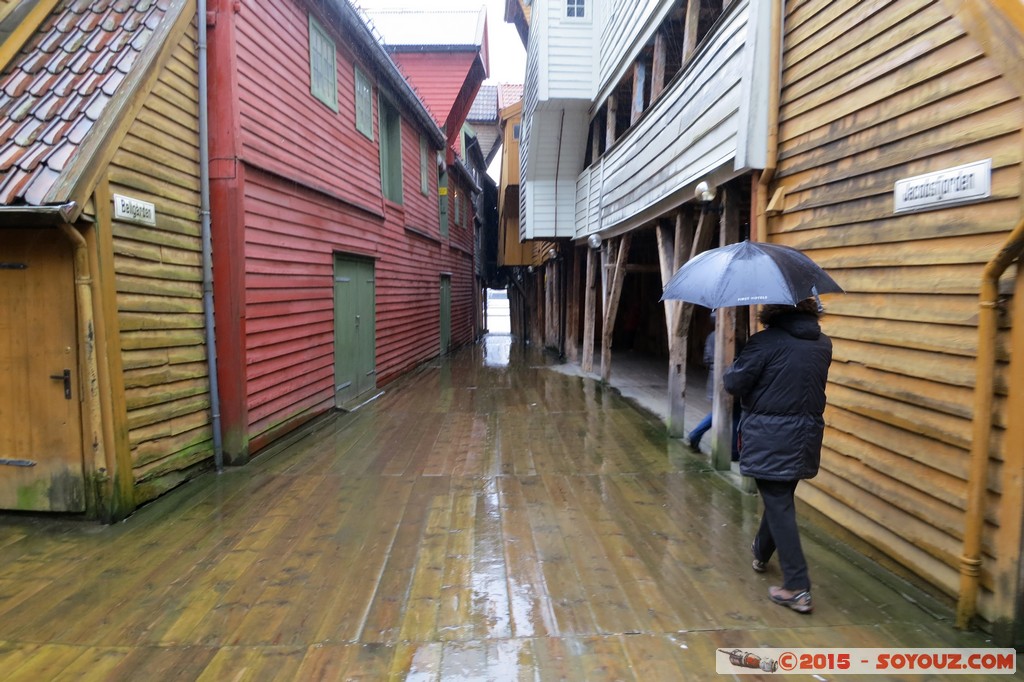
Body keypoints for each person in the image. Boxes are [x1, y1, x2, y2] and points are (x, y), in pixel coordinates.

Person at [723, 298, 832, 614]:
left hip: (770, 437)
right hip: (806, 436)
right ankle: (761, 551)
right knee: (780, 498)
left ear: (773, 309)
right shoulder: (822, 344)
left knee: (779, 503)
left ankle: (797, 587)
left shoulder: (765, 342)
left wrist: (745, 355)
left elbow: (733, 383)